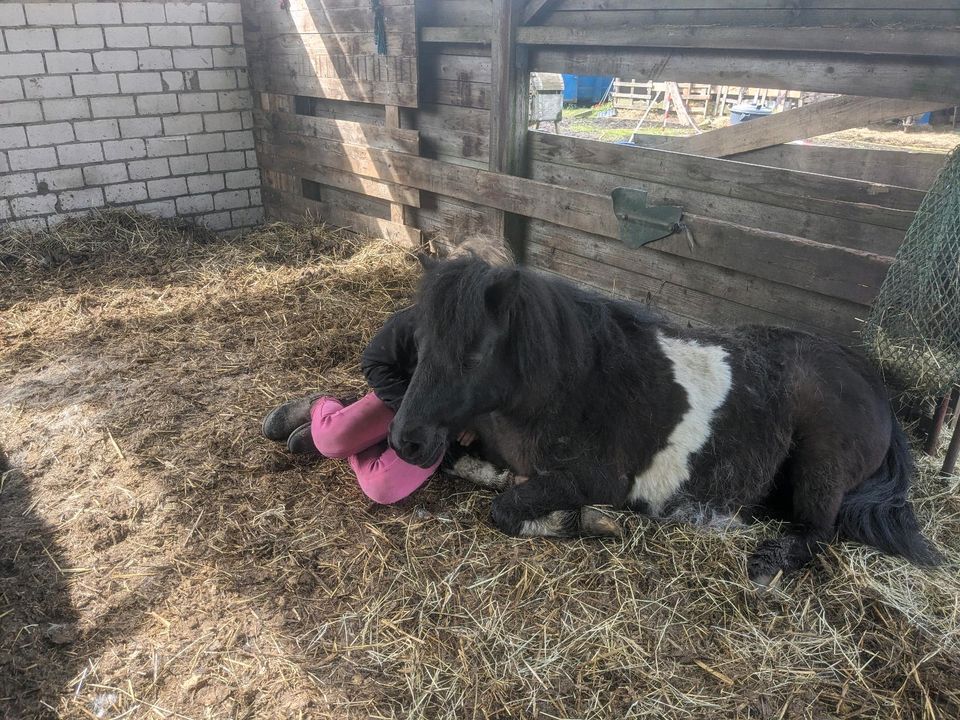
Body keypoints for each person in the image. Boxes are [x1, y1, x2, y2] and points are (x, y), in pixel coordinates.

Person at [261, 236, 513, 505]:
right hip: (399, 400)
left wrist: (476, 421)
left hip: (440, 428)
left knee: (382, 488)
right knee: (329, 440)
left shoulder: (497, 340)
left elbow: (499, 391)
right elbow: (374, 361)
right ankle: (321, 406)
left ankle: (359, 445)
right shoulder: (413, 321)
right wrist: (408, 407)